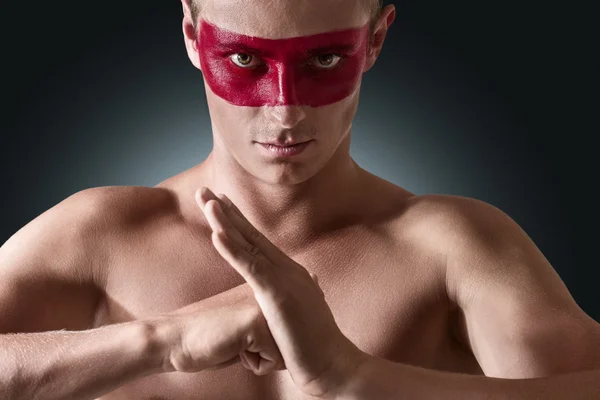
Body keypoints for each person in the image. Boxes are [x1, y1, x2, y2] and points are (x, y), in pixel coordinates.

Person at [1, 0, 599, 398]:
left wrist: (353, 378)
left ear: (376, 39)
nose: (285, 110)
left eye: (324, 59)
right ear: (191, 35)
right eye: (244, 58)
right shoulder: (101, 238)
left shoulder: (449, 250)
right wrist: (163, 341)